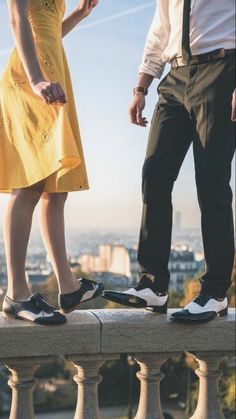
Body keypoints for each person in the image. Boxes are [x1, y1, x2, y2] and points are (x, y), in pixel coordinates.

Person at [103, 0, 235, 322]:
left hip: (221, 70)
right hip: (174, 78)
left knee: (211, 183)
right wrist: (141, 86)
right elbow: (160, 30)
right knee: (154, 174)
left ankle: (216, 292)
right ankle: (153, 285)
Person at [0, 0, 104, 325]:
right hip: (31, 81)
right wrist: (36, 81)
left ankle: (69, 287)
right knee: (29, 185)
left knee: (56, 190)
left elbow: (49, 31)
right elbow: (18, 20)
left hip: (52, 74)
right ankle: (17, 294)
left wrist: (79, 14)